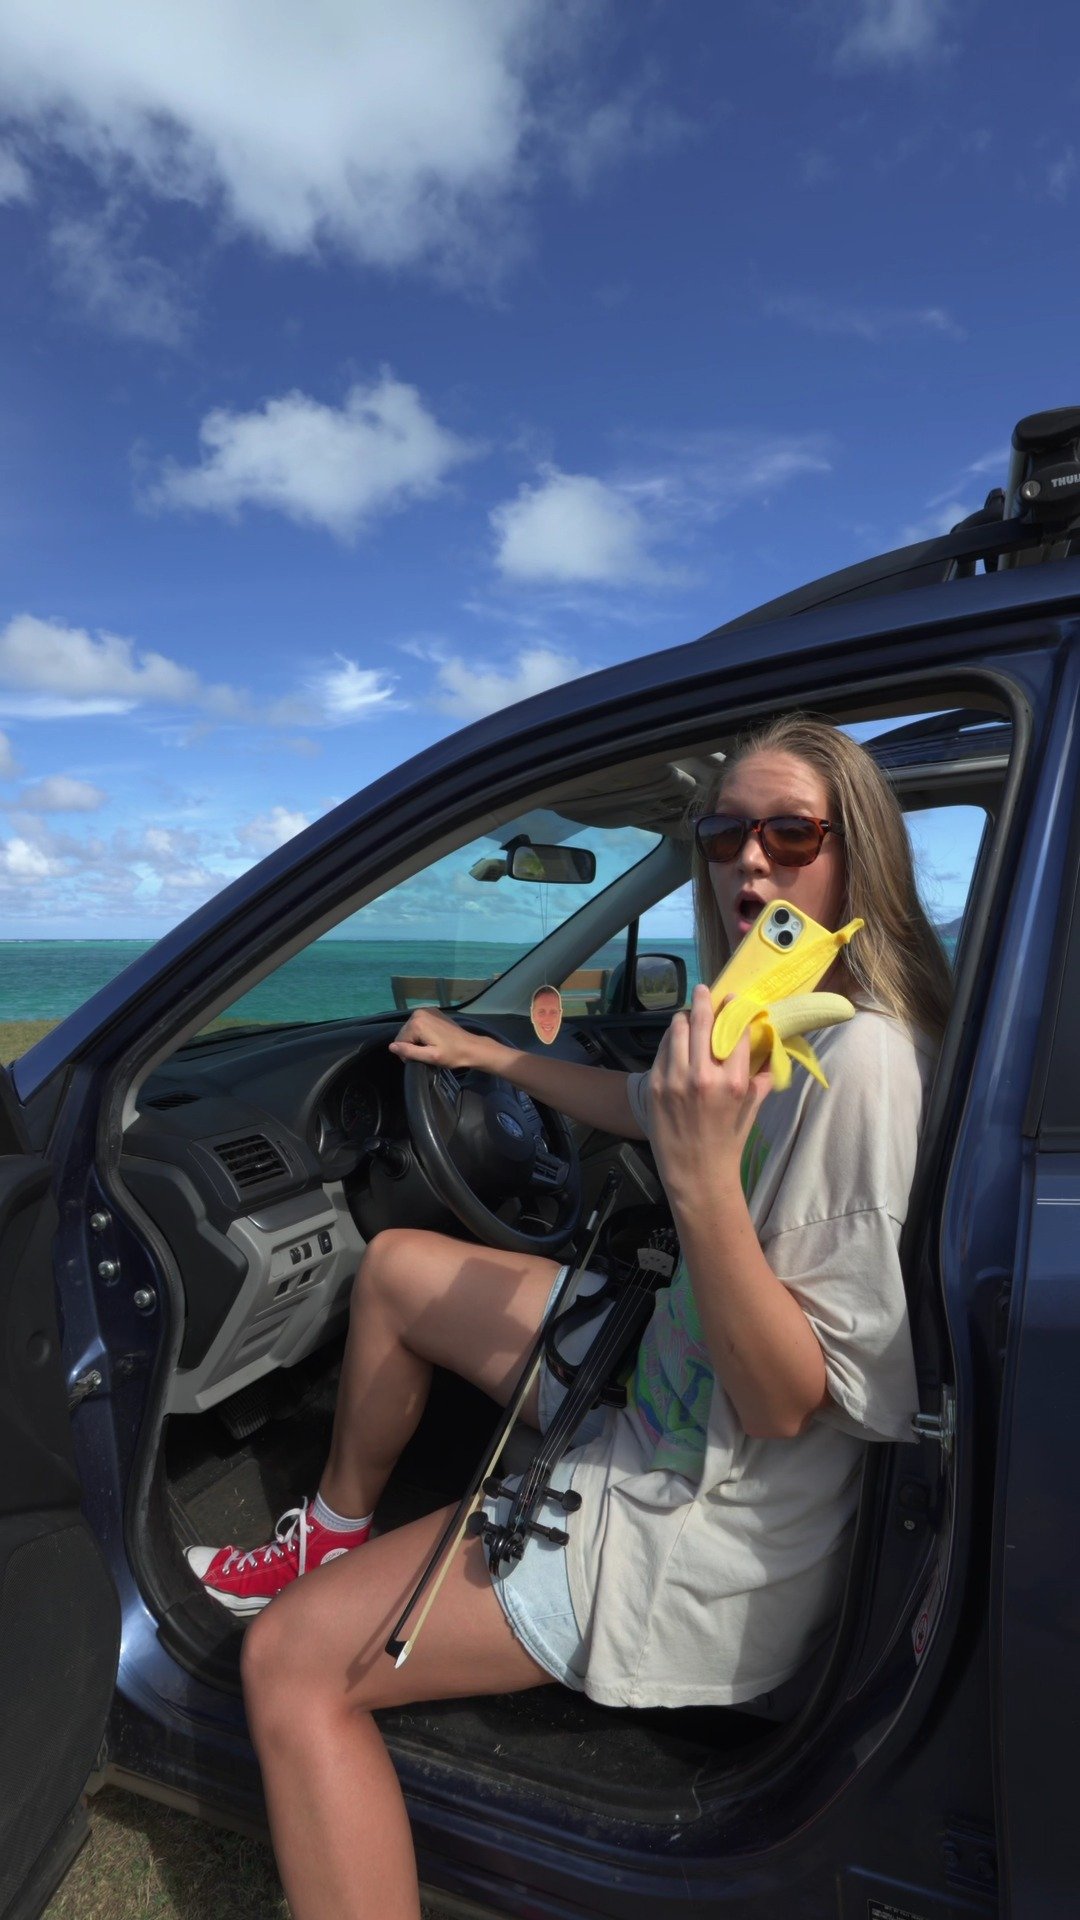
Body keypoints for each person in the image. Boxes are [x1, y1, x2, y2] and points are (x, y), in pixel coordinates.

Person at [187, 714, 952, 1920]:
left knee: (289, 1665)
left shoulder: (860, 1067)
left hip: (706, 1517)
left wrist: (702, 1182)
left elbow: (790, 1399)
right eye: (724, 835)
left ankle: (316, 1612)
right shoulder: (771, 1018)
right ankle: (328, 1530)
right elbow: (645, 1101)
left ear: (855, 853)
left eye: (791, 833)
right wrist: (496, 1065)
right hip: (669, 1377)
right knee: (395, 1269)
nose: (751, 863)